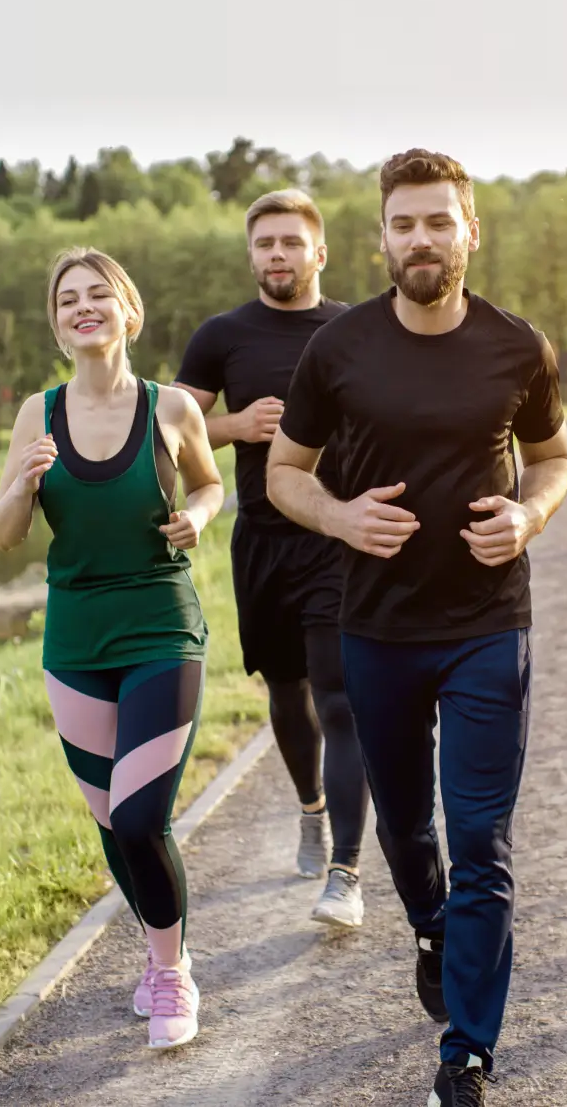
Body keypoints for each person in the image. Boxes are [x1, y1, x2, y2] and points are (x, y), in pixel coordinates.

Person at [266, 151, 567, 1107]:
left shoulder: (519, 346)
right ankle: (432, 925)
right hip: (380, 627)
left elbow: (554, 457)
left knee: (482, 836)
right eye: (404, 225)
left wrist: (529, 517)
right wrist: (340, 517)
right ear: (382, 239)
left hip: (489, 623)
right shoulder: (340, 349)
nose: (422, 240)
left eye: (439, 222)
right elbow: (286, 472)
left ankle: (467, 1051)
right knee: (406, 826)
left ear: (470, 231)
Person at [0, 248, 224, 1050]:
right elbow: (4, 535)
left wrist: (202, 515)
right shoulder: (37, 413)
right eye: (67, 300)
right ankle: (171, 947)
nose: (82, 307)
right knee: (110, 823)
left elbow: (209, 481)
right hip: (77, 641)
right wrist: (22, 482)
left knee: (138, 815)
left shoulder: (171, 409)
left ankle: (171, 976)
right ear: (57, 325)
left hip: (162, 627)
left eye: (98, 295)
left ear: (128, 310)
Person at [174, 190, 370, 928]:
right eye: (265, 244)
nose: (278, 255)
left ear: (320, 252)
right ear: (252, 255)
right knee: (287, 694)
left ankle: (346, 872)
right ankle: (312, 809)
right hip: (260, 540)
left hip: (335, 535)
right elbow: (176, 434)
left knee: (340, 694)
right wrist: (236, 422)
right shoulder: (222, 336)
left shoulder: (355, 329)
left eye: (292, 241)